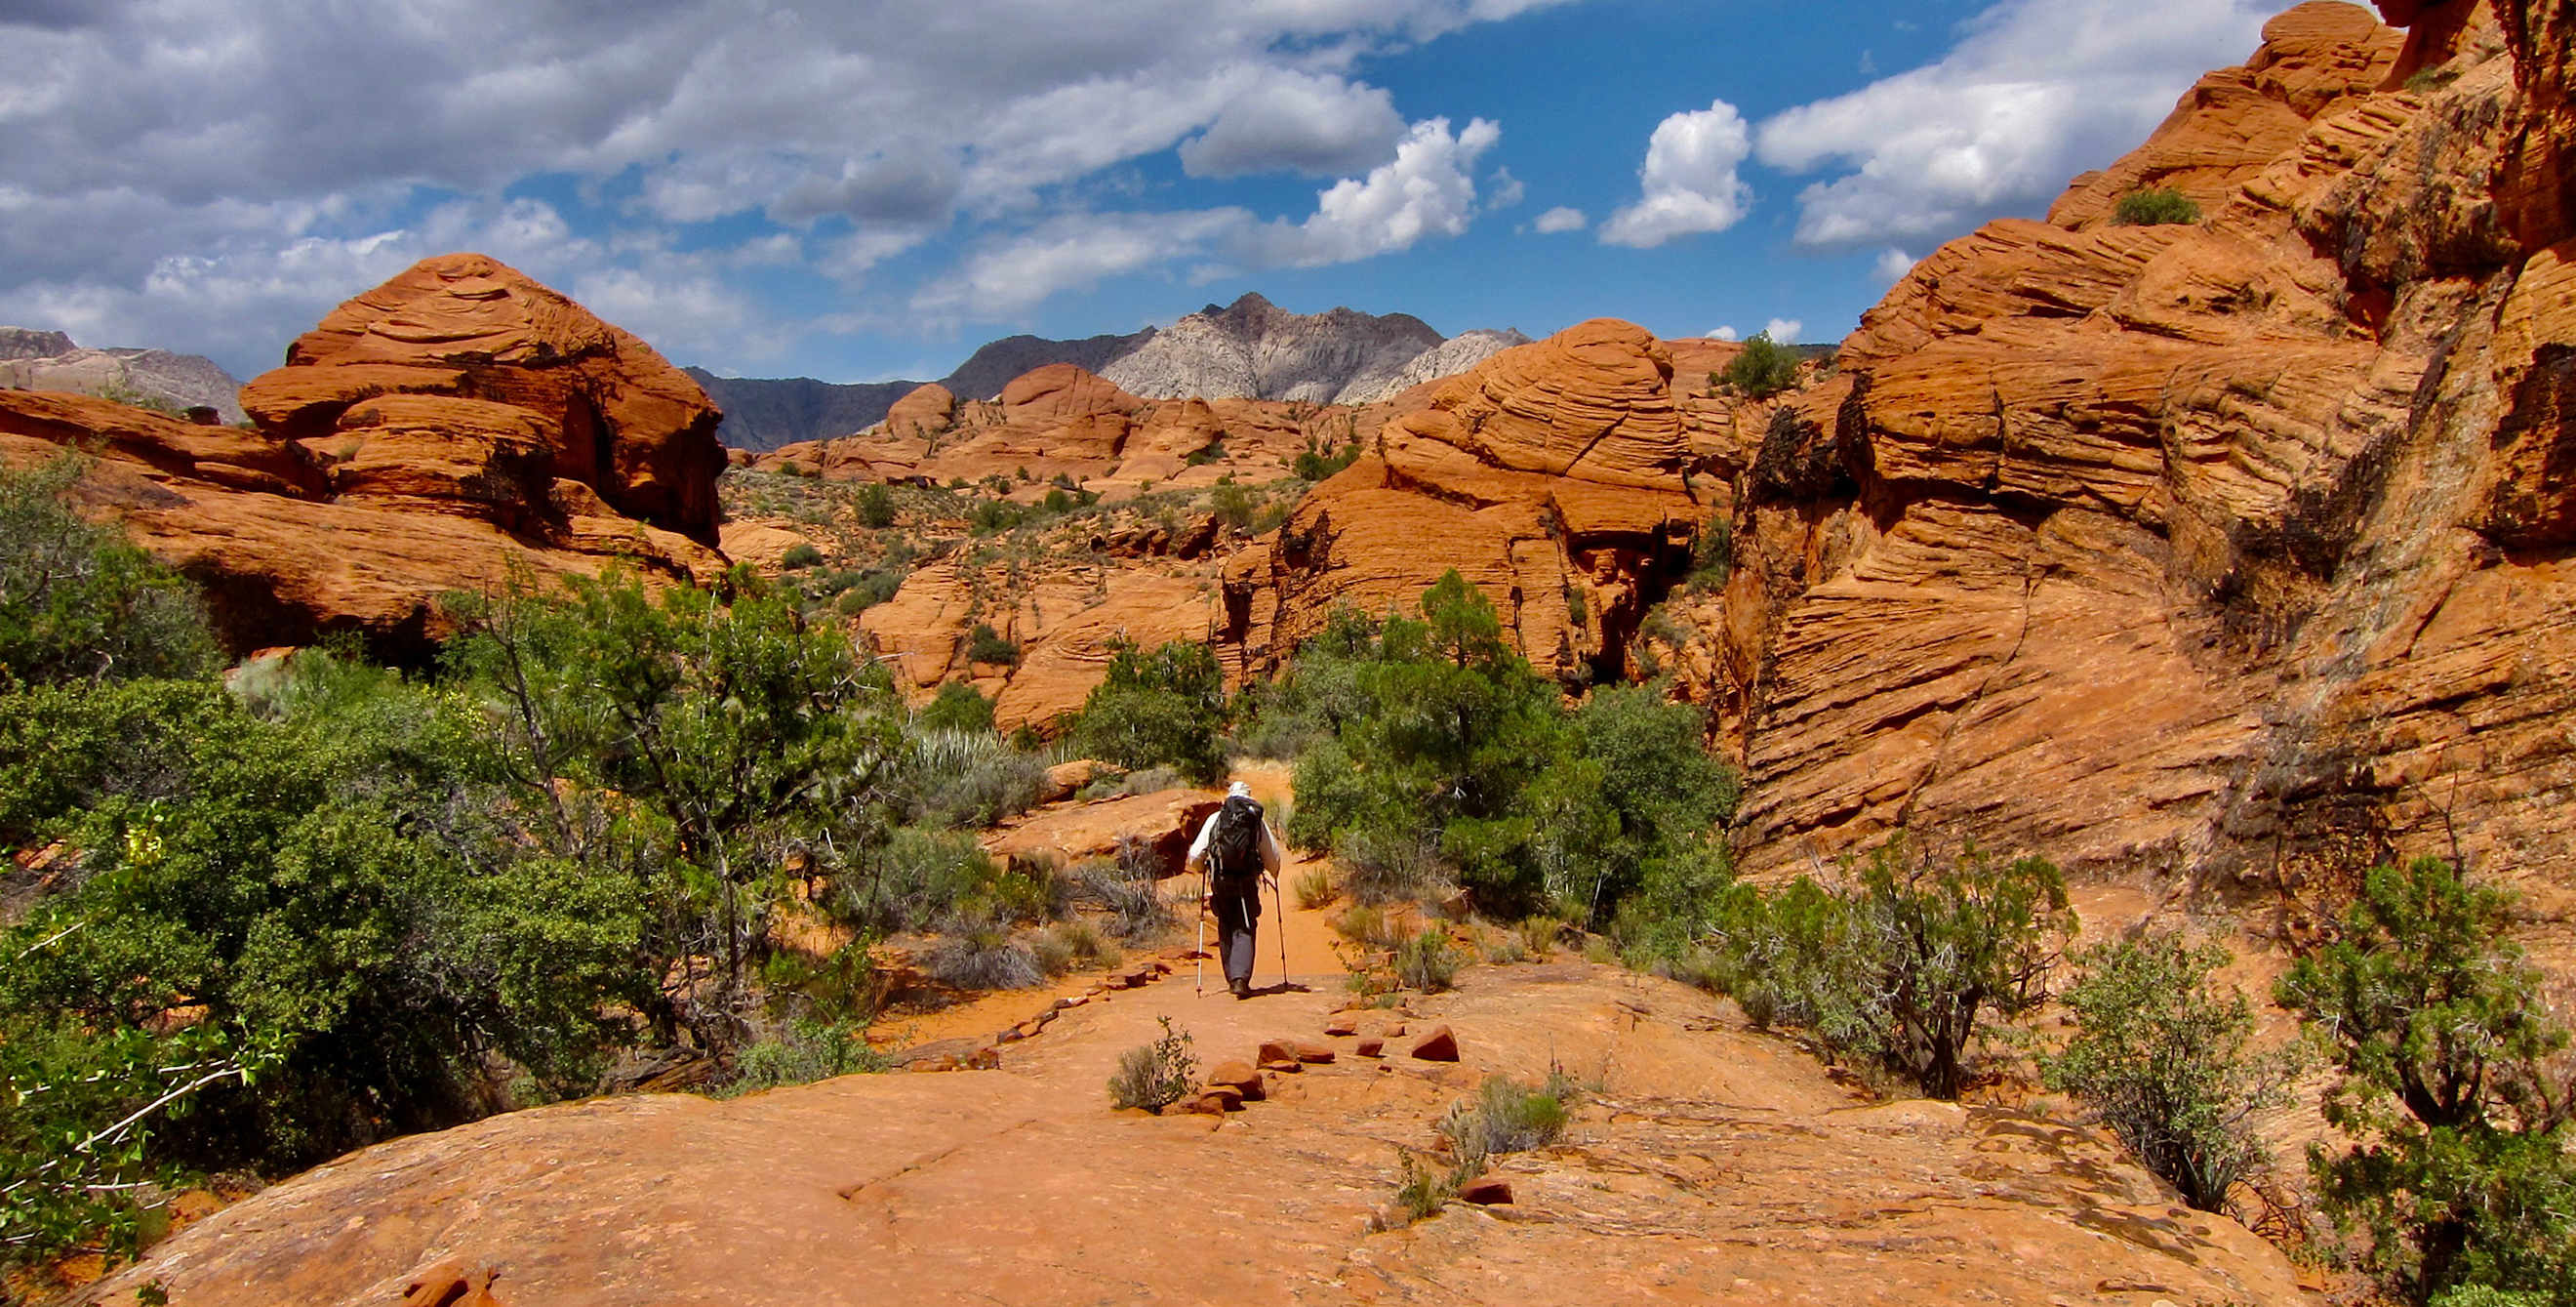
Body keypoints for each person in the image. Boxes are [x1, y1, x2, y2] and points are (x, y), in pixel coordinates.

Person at [1187, 781, 1285, 1000]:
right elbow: (1272, 856)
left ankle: (1232, 976)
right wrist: (1275, 873)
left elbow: (1195, 854)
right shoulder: (1255, 821)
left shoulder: (1216, 818)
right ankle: (1240, 979)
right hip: (1246, 881)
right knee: (1245, 924)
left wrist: (1202, 867)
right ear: (1249, 797)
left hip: (1220, 880)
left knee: (1226, 922)